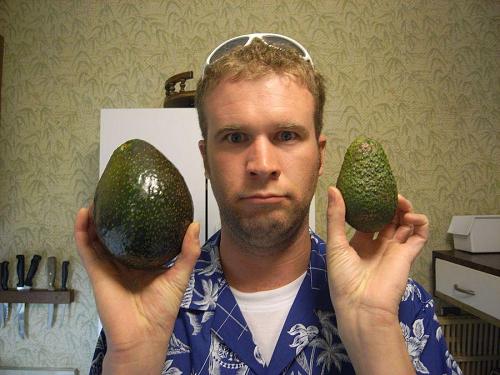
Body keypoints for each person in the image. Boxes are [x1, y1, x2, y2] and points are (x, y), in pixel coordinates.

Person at [75, 33, 462, 375]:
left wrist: (373, 328)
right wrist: (132, 359)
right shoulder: (148, 308)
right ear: (206, 158)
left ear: (320, 155)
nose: (262, 165)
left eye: (287, 135)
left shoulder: (399, 304)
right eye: (235, 137)